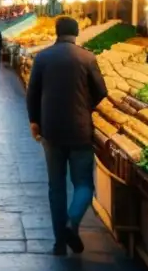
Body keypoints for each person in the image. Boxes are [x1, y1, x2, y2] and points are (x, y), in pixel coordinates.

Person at [26, 16, 108, 256]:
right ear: (77, 32)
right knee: (83, 183)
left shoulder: (42, 57)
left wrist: (35, 121)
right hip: (81, 130)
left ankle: (59, 242)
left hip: (51, 130)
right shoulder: (87, 57)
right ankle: (72, 223)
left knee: (56, 187)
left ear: (56, 32)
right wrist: (86, 106)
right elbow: (101, 91)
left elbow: (32, 93)